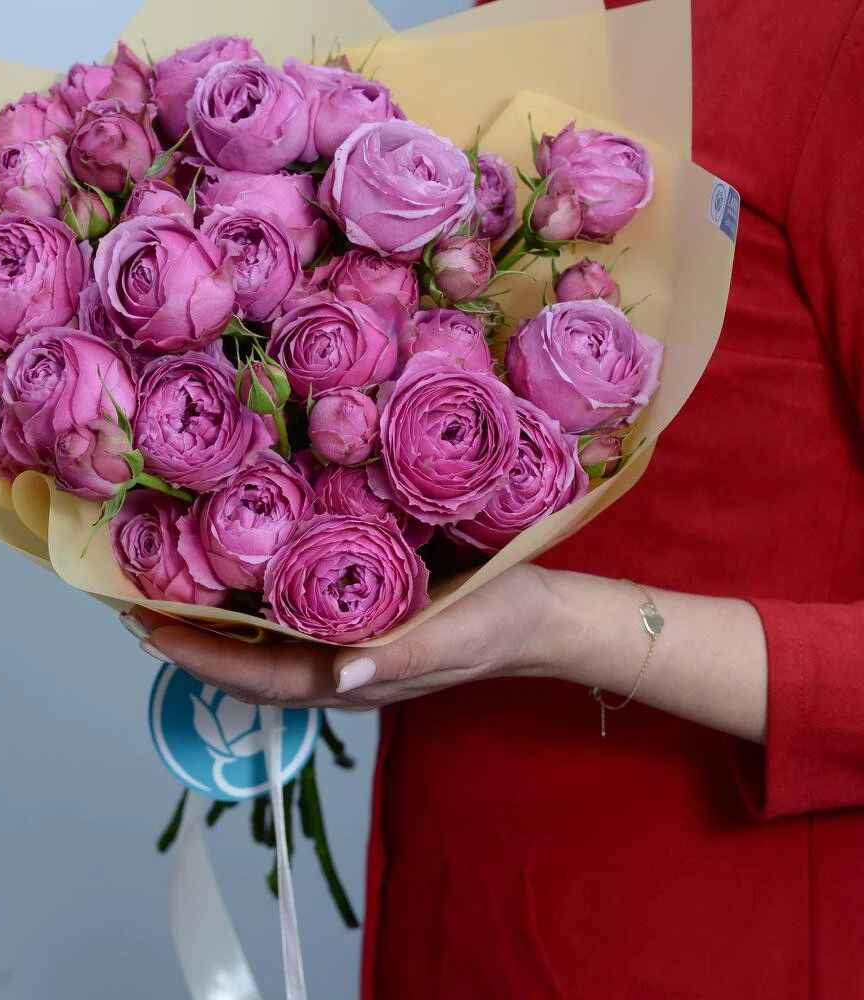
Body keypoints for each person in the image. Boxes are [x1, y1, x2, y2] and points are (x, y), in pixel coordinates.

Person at [124, 0, 864, 995]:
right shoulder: (492, 19)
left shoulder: (829, 44)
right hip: (460, 905)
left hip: (707, 929)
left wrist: (555, 626)